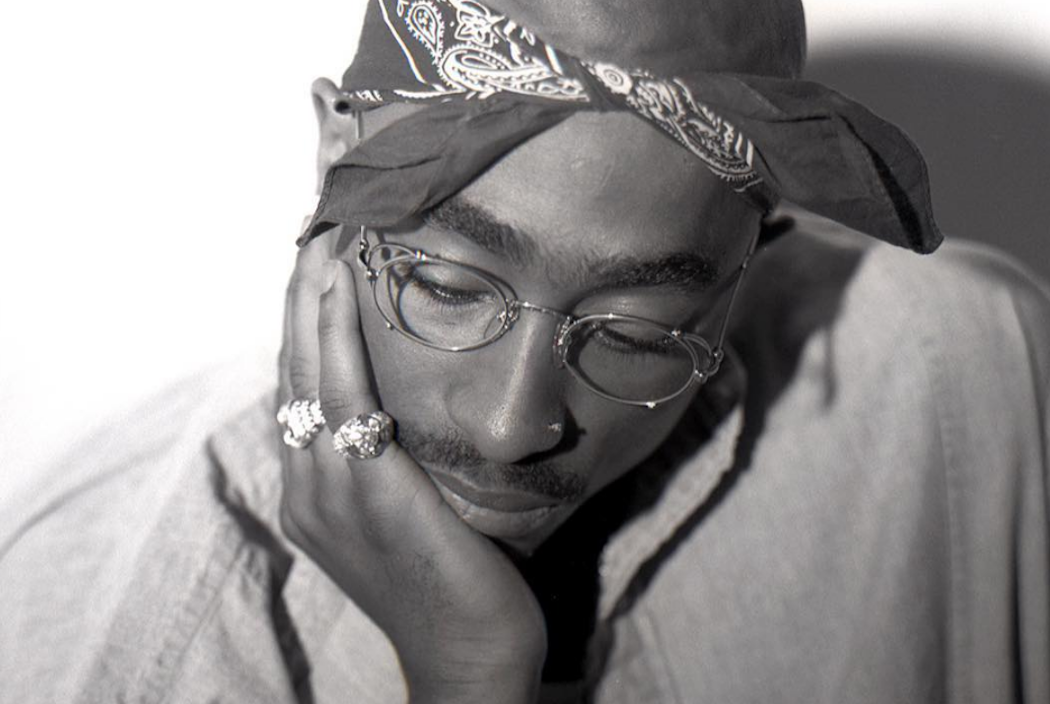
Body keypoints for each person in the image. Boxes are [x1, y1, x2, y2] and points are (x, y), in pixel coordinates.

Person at [2, 0, 1048, 702]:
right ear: (336, 154)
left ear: (756, 246)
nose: (513, 426)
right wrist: (469, 676)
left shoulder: (957, 385)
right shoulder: (140, 646)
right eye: (448, 288)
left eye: (638, 331)